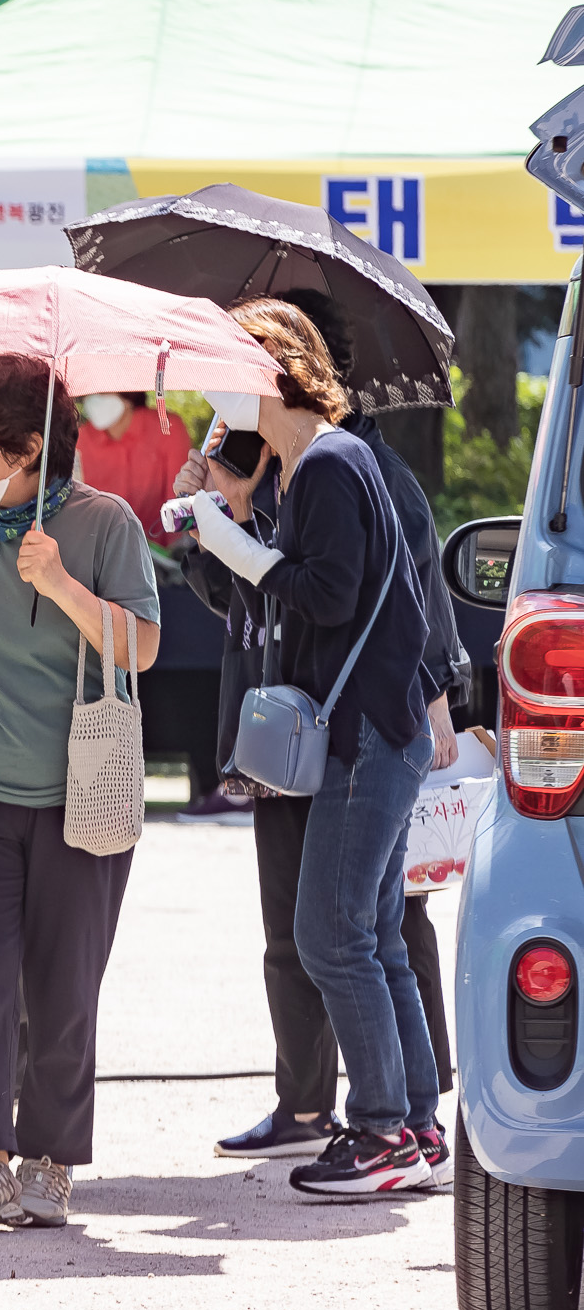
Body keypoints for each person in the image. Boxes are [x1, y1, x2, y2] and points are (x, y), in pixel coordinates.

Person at [176, 296, 440, 1197]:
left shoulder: (326, 463)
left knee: (330, 936)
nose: (216, 395)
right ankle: (414, 1124)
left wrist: (236, 547)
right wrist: (236, 534)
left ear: (269, 370)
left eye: (227, 370)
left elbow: (325, 595)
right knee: (374, 937)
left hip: (366, 735)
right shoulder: (321, 461)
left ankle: (378, 1135)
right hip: (381, 730)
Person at [0, 354, 160, 1230]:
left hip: (79, 793)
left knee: (64, 983)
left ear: (25, 448)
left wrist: (59, 583)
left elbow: (142, 649)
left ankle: (52, 1161)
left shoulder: (104, 525)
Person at [75, 391, 191, 548]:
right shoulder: (79, 442)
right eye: (90, 392)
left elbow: (180, 501)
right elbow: (77, 509)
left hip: (162, 558)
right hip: (100, 554)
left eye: (103, 391)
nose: (94, 399)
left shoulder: (167, 427)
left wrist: (177, 557)